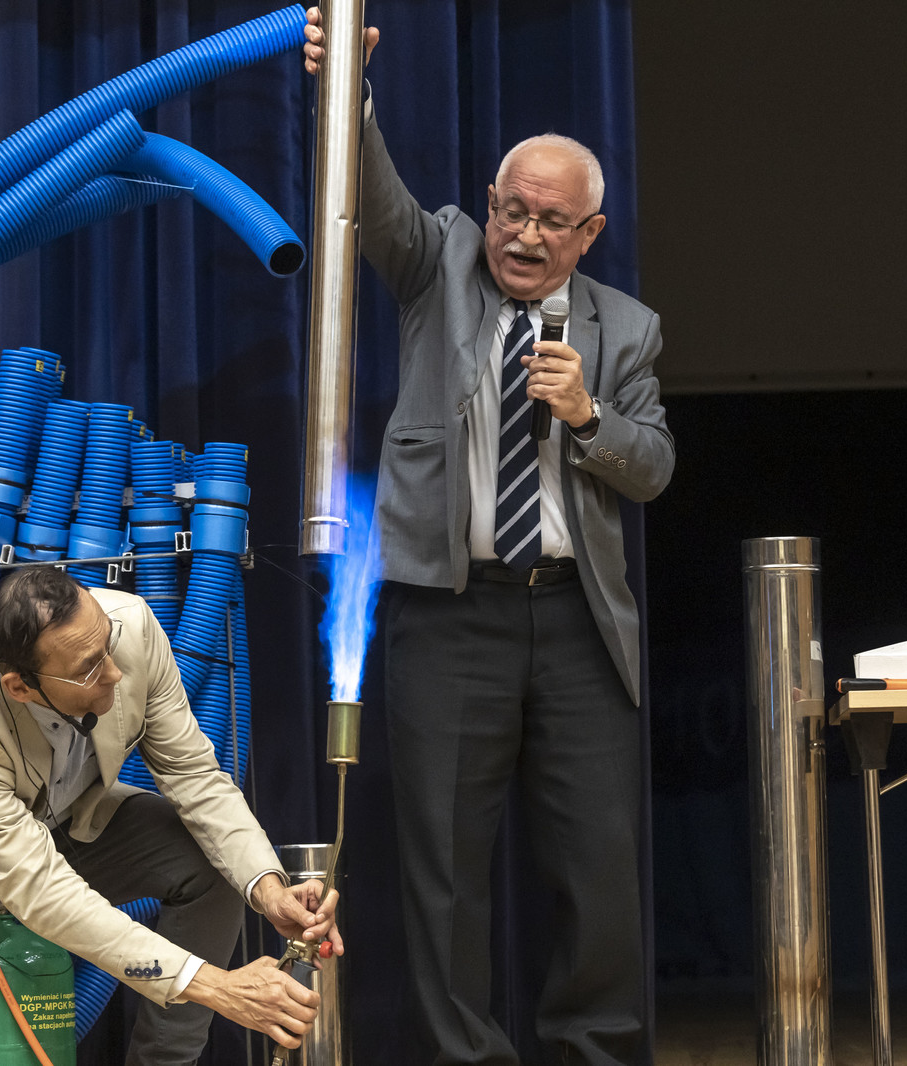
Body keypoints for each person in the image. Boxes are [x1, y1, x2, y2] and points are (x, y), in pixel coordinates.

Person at [305, 10, 674, 1066]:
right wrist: (346, 93)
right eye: (511, 209)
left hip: (576, 624)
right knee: (445, 874)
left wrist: (588, 417)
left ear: (588, 234)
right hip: (448, 615)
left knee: (597, 866)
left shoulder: (626, 329)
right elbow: (372, 198)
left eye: (550, 222)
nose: (522, 236)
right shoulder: (441, 265)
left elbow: (653, 467)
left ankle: (594, 1052)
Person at [0, 566, 342, 1066]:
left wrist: (269, 889)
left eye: (107, 646)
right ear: (21, 686)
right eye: (88, 668)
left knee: (212, 860)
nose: (115, 674)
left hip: (61, 827)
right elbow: (37, 888)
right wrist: (216, 986)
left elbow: (194, 776)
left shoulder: (132, 629)